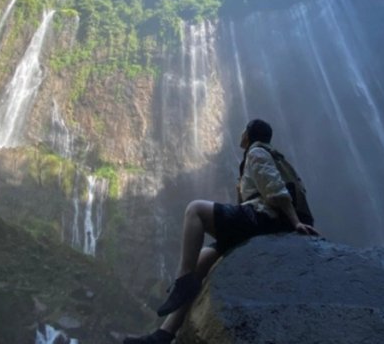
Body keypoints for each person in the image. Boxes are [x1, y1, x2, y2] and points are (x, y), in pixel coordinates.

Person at [123, 119, 319, 344]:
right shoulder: (275, 157)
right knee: (204, 259)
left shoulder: (257, 153)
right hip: (265, 221)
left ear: (249, 135)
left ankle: (182, 280)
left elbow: (276, 191)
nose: (241, 133)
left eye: (244, 129)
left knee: (195, 209)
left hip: (267, 219)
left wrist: (295, 223)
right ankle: (164, 334)